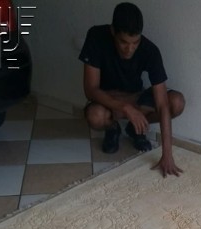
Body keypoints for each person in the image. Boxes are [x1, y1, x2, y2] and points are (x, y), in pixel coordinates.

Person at [79, 2, 184, 177]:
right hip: (107, 100)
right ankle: (112, 128)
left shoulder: (150, 50)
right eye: (123, 42)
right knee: (95, 116)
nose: (130, 49)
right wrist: (125, 108)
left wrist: (167, 155)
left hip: (136, 98)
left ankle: (135, 129)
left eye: (135, 42)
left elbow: (163, 104)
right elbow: (90, 90)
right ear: (113, 31)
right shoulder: (96, 36)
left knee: (177, 102)